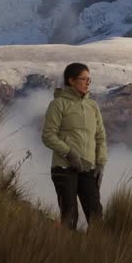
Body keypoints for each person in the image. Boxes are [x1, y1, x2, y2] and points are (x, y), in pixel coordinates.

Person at [42, 62, 107, 229]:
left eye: (89, 80)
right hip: (64, 168)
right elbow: (48, 136)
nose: (87, 83)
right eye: (83, 79)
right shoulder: (58, 104)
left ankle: (94, 253)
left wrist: (100, 163)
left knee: (96, 217)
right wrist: (69, 153)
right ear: (71, 81)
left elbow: (100, 137)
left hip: (88, 168)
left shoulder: (92, 106)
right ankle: (65, 252)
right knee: (70, 217)